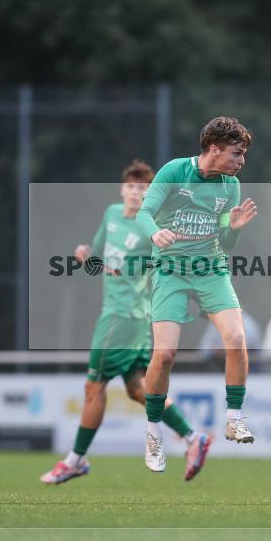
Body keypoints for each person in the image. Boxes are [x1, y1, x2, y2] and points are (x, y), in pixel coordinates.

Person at [41, 160, 210, 484]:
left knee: (93, 387)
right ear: (122, 189)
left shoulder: (152, 228)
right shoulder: (111, 214)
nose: (135, 193)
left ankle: (75, 460)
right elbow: (99, 260)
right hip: (128, 320)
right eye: (131, 187)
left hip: (122, 318)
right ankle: (193, 437)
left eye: (143, 189)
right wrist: (85, 257)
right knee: (138, 389)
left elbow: (162, 264)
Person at [136, 116, 259, 472]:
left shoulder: (230, 186)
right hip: (170, 271)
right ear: (214, 149)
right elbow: (144, 213)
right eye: (237, 153)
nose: (241, 161)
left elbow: (226, 241)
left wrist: (234, 229)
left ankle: (234, 418)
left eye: (243, 154)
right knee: (165, 355)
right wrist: (154, 233)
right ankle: (153, 433)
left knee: (236, 338)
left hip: (210, 269)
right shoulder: (174, 172)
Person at [198, 309, 263, 367]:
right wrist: (215, 352)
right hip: (218, 366)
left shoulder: (249, 324)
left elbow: (255, 352)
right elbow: (204, 350)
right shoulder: (216, 322)